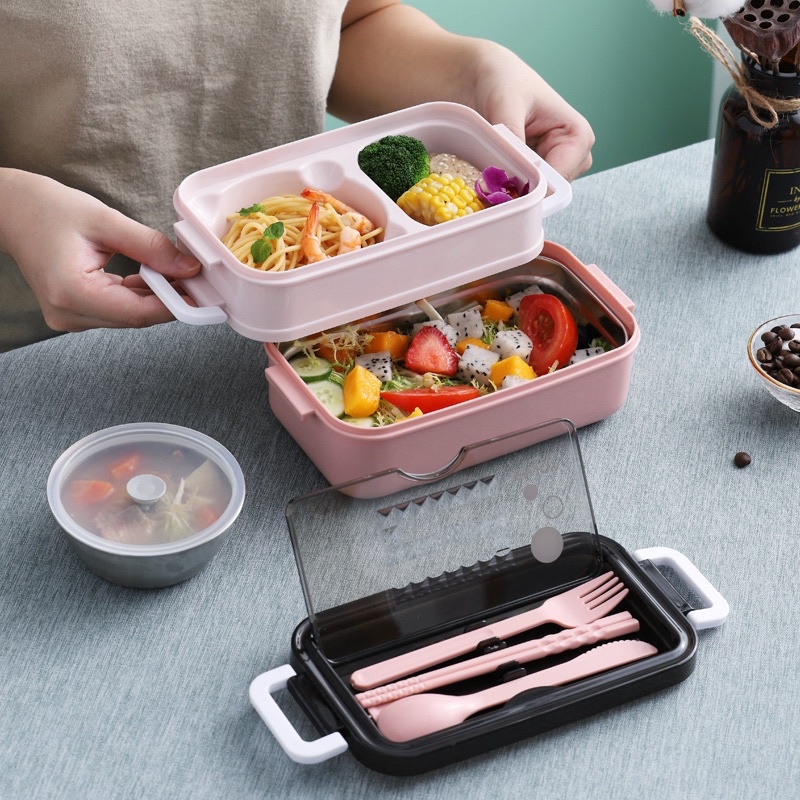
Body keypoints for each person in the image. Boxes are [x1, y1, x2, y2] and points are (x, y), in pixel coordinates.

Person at [0, 1, 594, 353]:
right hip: (58, 347)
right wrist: (13, 207)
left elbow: (350, 22)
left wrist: (474, 71)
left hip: (322, 313)